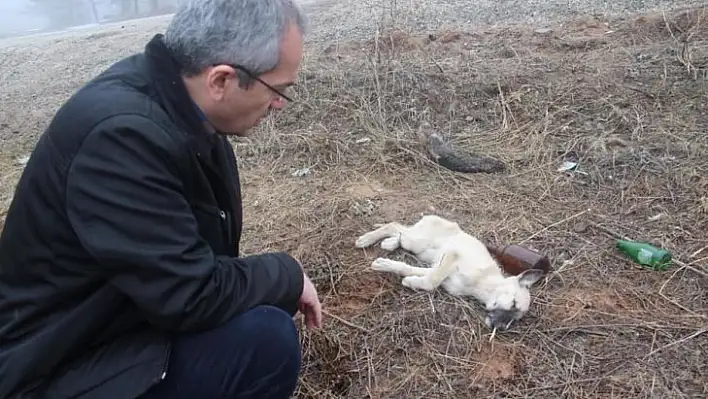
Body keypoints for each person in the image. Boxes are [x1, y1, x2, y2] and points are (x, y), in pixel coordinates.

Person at [0, 0, 323, 398]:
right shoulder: (121, 139)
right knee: (264, 341)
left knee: (258, 313)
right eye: (278, 90)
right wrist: (286, 275)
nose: (278, 104)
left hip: (110, 329)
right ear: (220, 80)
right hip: (52, 368)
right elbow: (189, 296)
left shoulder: (181, 109)